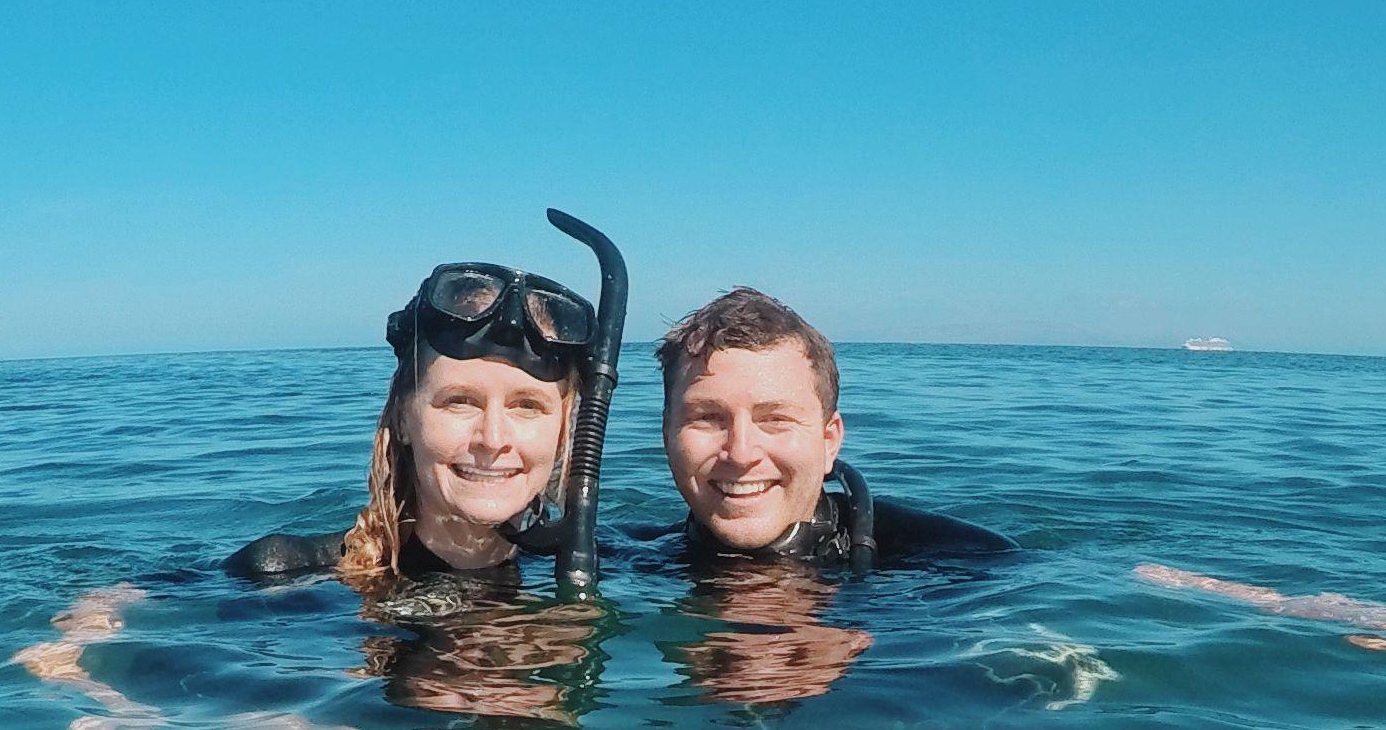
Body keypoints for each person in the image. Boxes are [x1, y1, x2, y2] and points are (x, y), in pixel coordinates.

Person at [224, 252, 613, 595]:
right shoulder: (282, 575)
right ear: (404, 417)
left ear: (565, 431)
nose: (492, 439)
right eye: (459, 402)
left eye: (526, 406)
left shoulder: (619, 565)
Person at [647, 285, 1011, 572]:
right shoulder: (619, 561)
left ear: (829, 440)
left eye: (775, 419)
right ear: (667, 434)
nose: (741, 453)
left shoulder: (969, 565)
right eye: (708, 418)